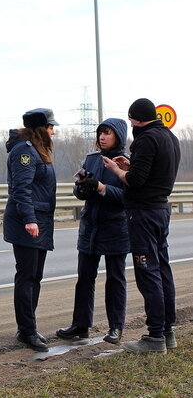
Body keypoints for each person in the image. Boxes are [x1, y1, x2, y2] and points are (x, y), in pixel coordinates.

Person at [103, 98, 180, 354]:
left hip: (143, 213)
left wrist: (116, 169)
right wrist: (131, 164)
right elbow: (150, 172)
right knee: (163, 270)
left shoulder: (145, 139)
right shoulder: (170, 137)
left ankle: (154, 336)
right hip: (161, 209)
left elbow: (135, 181)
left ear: (135, 119)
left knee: (148, 272)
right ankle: (168, 332)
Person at [56, 118, 129, 345]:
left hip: (116, 227)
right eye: (100, 133)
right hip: (91, 227)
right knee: (84, 278)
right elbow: (79, 193)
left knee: (115, 279)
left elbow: (128, 198)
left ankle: (116, 327)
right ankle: (81, 325)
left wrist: (101, 187)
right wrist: (82, 187)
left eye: (107, 133)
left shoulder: (127, 162)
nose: (102, 137)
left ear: (118, 135)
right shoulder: (91, 159)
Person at [3, 108, 58, 352]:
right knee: (26, 277)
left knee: (35, 276)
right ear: (40, 129)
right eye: (50, 127)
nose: (53, 131)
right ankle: (27, 331)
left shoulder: (38, 150)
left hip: (40, 221)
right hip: (28, 222)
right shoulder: (24, 152)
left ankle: (27, 327)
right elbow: (21, 188)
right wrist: (29, 219)